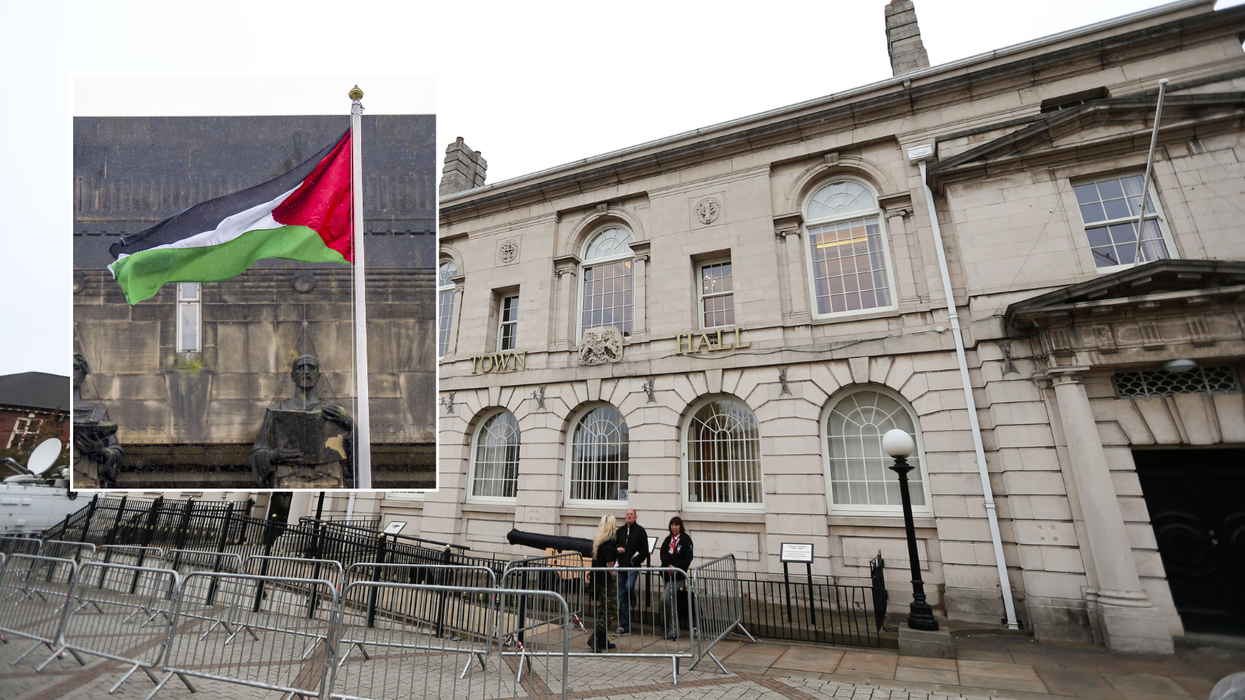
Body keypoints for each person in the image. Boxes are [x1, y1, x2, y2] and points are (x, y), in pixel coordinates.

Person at [251, 355, 355, 488]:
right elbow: (258, 452)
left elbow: (355, 462)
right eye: (301, 368)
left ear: (318, 375)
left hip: (328, 479)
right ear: (293, 376)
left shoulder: (335, 413)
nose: (306, 371)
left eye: (311, 367)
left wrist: (349, 423)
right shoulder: (276, 411)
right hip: (290, 479)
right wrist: (272, 456)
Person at [72, 354, 124, 488]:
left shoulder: (97, 412)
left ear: (83, 376)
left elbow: (116, 451)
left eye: (75, 367)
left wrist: (101, 451)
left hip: (84, 479)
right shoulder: (50, 410)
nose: (71, 372)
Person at [658, 516, 693, 640]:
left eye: (677, 525)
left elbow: (687, 558)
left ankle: (672, 629)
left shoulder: (686, 540)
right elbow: (663, 554)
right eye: (672, 525)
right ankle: (668, 625)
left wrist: (676, 567)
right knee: (666, 600)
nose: (674, 527)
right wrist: (668, 566)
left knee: (667, 599)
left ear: (681, 526)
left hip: (678, 577)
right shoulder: (668, 539)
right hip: (667, 575)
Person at [589, 514, 620, 652]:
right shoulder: (609, 542)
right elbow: (609, 563)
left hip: (599, 580)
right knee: (611, 610)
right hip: (607, 581)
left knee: (603, 609)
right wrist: (614, 573)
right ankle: (595, 637)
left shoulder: (599, 541)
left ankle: (601, 639)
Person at [615, 508, 648, 635]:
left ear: (635, 517)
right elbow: (613, 545)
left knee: (628, 588)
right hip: (622, 567)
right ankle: (625, 626)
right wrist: (617, 549)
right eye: (627, 514)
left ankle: (632, 595)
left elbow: (644, 550)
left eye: (631, 514)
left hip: (633, 566)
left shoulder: (640, 531)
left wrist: (635, 561)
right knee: (622, 596)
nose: (629, 516)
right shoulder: (620, 531)